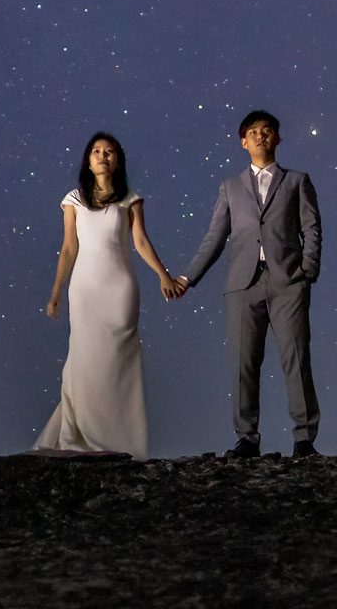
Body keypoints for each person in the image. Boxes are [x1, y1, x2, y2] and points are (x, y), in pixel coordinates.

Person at [176, 109, 321, 458]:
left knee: (296, 357)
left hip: (288, 281)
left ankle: (304, 439)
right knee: (243, 362)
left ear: (278, 138)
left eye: (267, 130)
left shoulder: (296, 180)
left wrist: (308, 270)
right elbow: (215, 237)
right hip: (243, 284)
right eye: (253, 132)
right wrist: (187, 277)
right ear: (243, 142)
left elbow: (311, 227)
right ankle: (247, 438)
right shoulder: (230, 186)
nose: (260, 136)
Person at [35, 131, 184, 458]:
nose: (103, 156)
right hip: (85, 288)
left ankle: (121, 439)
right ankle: (82, 434)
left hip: (120, 287)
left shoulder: (130, 198)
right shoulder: (74, 199)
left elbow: (140, 241)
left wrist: (163, 275)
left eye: (109, 151)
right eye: (96, 151)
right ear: (88, 161)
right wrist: (56, 290)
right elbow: (68, 248)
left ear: (117, 160)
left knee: (118, 357)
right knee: (85, 356)